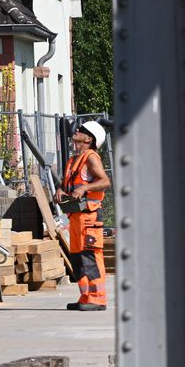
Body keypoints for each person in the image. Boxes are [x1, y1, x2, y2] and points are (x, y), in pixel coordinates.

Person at [54, 121, 111, 311]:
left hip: (89, 217)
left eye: (82, 131)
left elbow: (105, 181)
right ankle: (86, 297)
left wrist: (86, 188)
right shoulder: (74, 159)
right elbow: (66, 184)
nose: (77, 131)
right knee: (78, 258)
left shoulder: (91, 157)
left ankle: (98, 298)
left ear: (89, 139)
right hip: (76, 217)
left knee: (90, 257)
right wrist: (60, 191)